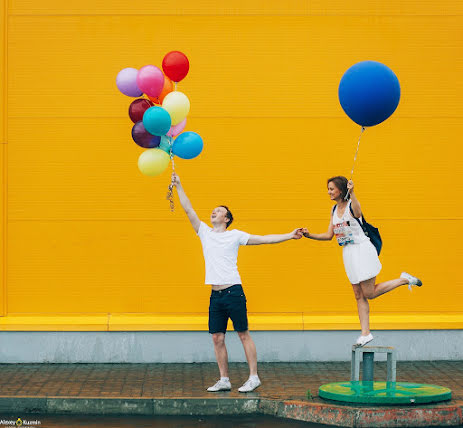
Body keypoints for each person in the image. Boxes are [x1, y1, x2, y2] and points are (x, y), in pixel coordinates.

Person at [172, 173, 304, 392]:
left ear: (226, 218)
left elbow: (264, 239)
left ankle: (254, 377)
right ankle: (224, 379)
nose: (214, 212)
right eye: (213, 211)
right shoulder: (204, 232)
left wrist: (289, 235)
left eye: (219, 211)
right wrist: (179, 186)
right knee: (217, 337)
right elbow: (189, 210)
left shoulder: (235, 235)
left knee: (243, 334)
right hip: (216, 295)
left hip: (233, 291)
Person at [302, 176, 422, 347]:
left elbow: (358, 213)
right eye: (328, 189)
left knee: (369, 293)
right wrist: (309, 235)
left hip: (362, 250)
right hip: (349, 253)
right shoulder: (334, 209)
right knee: (358, 295)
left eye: (331, 189)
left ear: (341, 190)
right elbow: (329, 236)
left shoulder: (352, 205)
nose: (328, 192)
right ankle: (365, 333)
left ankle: (403, 279)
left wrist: (353, 193)